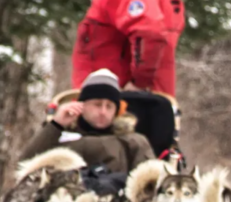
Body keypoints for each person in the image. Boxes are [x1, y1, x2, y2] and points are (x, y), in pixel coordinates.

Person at [19, 69, 154, 182]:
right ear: (82, 105)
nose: (103, 112)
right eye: (97, 104)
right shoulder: (61, 135)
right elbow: (25, 165)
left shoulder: (132, 141)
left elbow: (149, 182)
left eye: (109, 106)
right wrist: (56, 124)